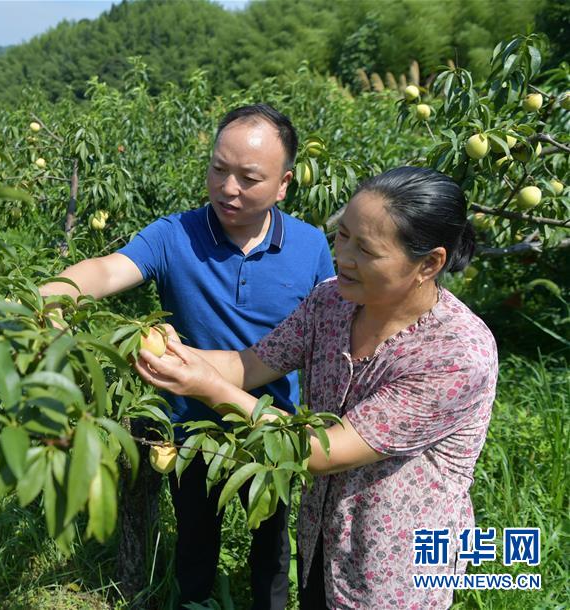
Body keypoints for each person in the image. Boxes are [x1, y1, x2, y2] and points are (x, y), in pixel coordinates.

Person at [134, 166, 498, 609]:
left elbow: (321, 452)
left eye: (366, 249)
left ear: (429, 264)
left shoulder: (455, 355)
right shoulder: (332, 301)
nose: (343, 256)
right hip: (321, 540)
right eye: (342, 236)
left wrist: (208, 388)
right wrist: (171, 354)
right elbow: (250, 364)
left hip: (393, 568)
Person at [40, 104, 335, 608]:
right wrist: (55, 294)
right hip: (191, 429)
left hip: (269, 425)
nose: (228, 188)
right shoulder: (175, 234)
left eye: (249, 178)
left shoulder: (310, 246)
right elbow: (108, 270)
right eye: (218, 169)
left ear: (284, 184)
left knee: (271, 551)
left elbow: (330, 330)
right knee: (195, 543)